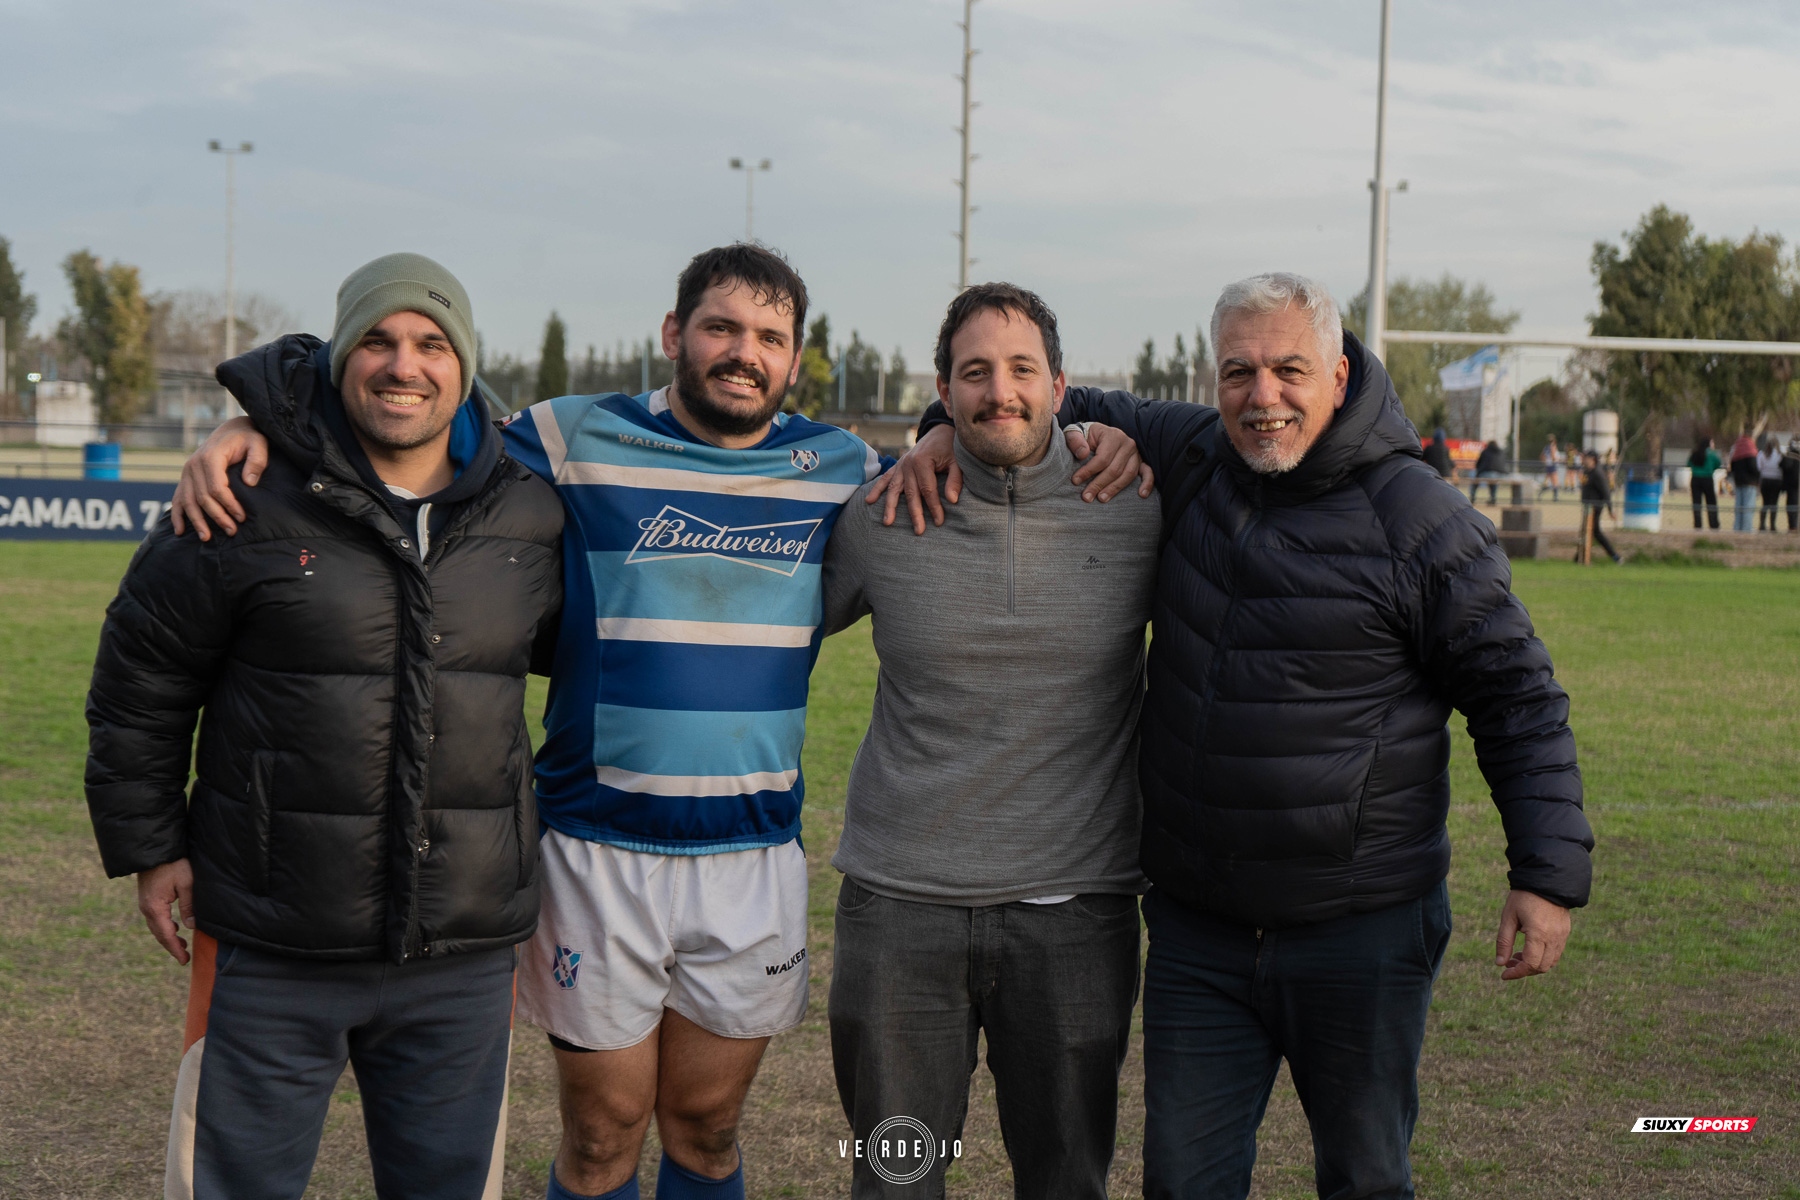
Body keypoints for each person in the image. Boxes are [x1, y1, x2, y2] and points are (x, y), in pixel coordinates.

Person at [169, 243, 1154, 1200]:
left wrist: (947, 431)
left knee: (710, 1130)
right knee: (601, 1136)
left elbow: (986, 434)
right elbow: (405, 415)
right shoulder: (565, 436)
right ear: (675, 332)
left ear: (794, 359)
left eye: (769, 336)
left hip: (752, 855)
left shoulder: (843, 467)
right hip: (598, 851)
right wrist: (257, 422)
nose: (743, 351)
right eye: (721, 327)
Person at [892, 272, 1591, 1200]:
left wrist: (1545, 876)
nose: (1263, 398)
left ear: (1340, 376)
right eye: (1238, 373)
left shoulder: (1421, 519)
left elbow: (1517, 698)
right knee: (1183, 1182)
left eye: (1288, 370)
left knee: (1366, 1176)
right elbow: (1026, 402)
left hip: (1362, 929)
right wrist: (938, 431)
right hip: (1200, 933)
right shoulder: (1190, 455)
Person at [85, 253, 565, 1200]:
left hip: (459, 953)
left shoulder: (532, 511)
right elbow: (141, 674)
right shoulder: (241, 496)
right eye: (378, 341)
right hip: (269, 938)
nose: (404, 365)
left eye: (432, 344)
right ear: (341, 357)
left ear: (464, 366)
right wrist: (150, 845)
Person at [821, 284, 1167, 1198]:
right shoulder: (883, 513)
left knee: (1065, 1181)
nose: (999, 392)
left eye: (1021, 370)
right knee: (894, 1179)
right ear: (944, 388)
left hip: (1076, 918)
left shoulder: (1135, 503)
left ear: (1062, 384)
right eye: (975, 373)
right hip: (899, 912)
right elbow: (762, 632)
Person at [1578, 448, 1622, 563]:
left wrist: (1610, 509)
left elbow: (1606, 492)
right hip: (1588, 507)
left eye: (1586, 458)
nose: (1584, 460)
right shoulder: (1588, 472)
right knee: (1589, 532)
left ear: (1593, 460)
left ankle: (1614, 556)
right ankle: (1581, 557)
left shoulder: (1598, 473)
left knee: (1592, 532)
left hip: (1595, 508)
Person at [1688, 437, 1721, 530]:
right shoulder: (1711, 454)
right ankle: (1714, 524)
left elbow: (1689, 464)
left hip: (1695, 479)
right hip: (1707, 479)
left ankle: (1698, 525)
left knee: (1696, 503)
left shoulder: (1695, 452)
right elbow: (1718, 463)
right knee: (1711, 503)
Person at [1729, 431, 1759, 532]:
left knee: (1739, 506)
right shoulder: (1750, 451)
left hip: (1738, 482)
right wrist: (1758, 477)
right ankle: (1747, 528)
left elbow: (1732, 468)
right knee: (1748, 506)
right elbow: (1753, 468)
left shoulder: (1736, 451)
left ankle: (1737, 527)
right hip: (1750, 482)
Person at [1757, 436, 1785, 532]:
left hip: (1765, 480)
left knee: (1765, 503)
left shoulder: (1762, 454)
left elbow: (1759, 468)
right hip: (1776, 481)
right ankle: (1772, 525)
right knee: (1774, 504)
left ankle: (1762, 524)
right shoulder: (1780, 455)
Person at [1469, 438, 1506, 504]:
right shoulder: (1501, 452)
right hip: (1500, 474)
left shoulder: (1485, 451)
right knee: (1493, 482)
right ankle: (1493, 498)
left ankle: (1472, 497)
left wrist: (1479, 471)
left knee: (1475, 479)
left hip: (1486, 472)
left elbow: (1478, 464)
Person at [1781, 436, 1800, 532]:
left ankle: (1793, 525)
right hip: (1792, 485)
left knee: (1792, 504)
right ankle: (1793, 526)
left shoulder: (1789, 456)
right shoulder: (1790, 457)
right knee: (1792, 505)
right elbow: (1783, 466)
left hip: (1791, 485)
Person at [1538, 434, 1561, 499]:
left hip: (1548, 465)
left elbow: (1542, 456)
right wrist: (1555, 461)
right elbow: (1553, 456)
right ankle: (1555, 497)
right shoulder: (1553, 446)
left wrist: (1545, 462)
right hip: (1552, 465)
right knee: (1555, 482)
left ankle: (1540, 493)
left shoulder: (1546, 447)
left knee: (1547, 481)